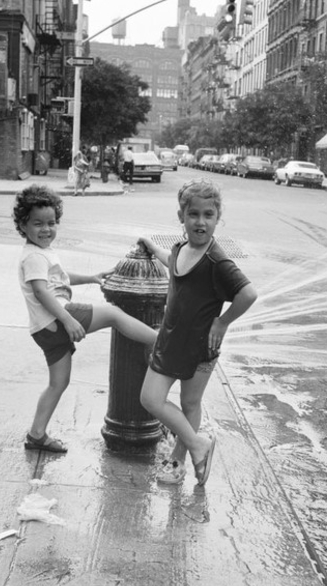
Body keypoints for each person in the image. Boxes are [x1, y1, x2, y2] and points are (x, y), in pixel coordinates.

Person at [13, 184, 158, 453]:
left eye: (51, 223)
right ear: (23, 225)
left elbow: (60, 279)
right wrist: (68, 321)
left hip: (42, 328)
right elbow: (42, 292)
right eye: (37, 224)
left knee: (58, 383)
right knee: (114, 314)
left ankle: (37, 435)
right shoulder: (34, 256)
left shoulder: (39, 253)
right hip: (57, 318)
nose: (46, 229)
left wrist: (91, 277)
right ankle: (161, 341)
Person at [139, 179, 257, 486]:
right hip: (171, 341)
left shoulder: (218, 262)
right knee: (151, 399)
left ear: (218, 218)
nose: (201, 222)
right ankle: (198, 444)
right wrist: (153, 247)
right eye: (193, 214)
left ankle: (179, 459)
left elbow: (248, 294)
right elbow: (173, 262)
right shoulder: (180, 247)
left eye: (208, 215)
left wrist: (223, 322)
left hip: (200, 347)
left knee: (190, 403)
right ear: (181, 216)